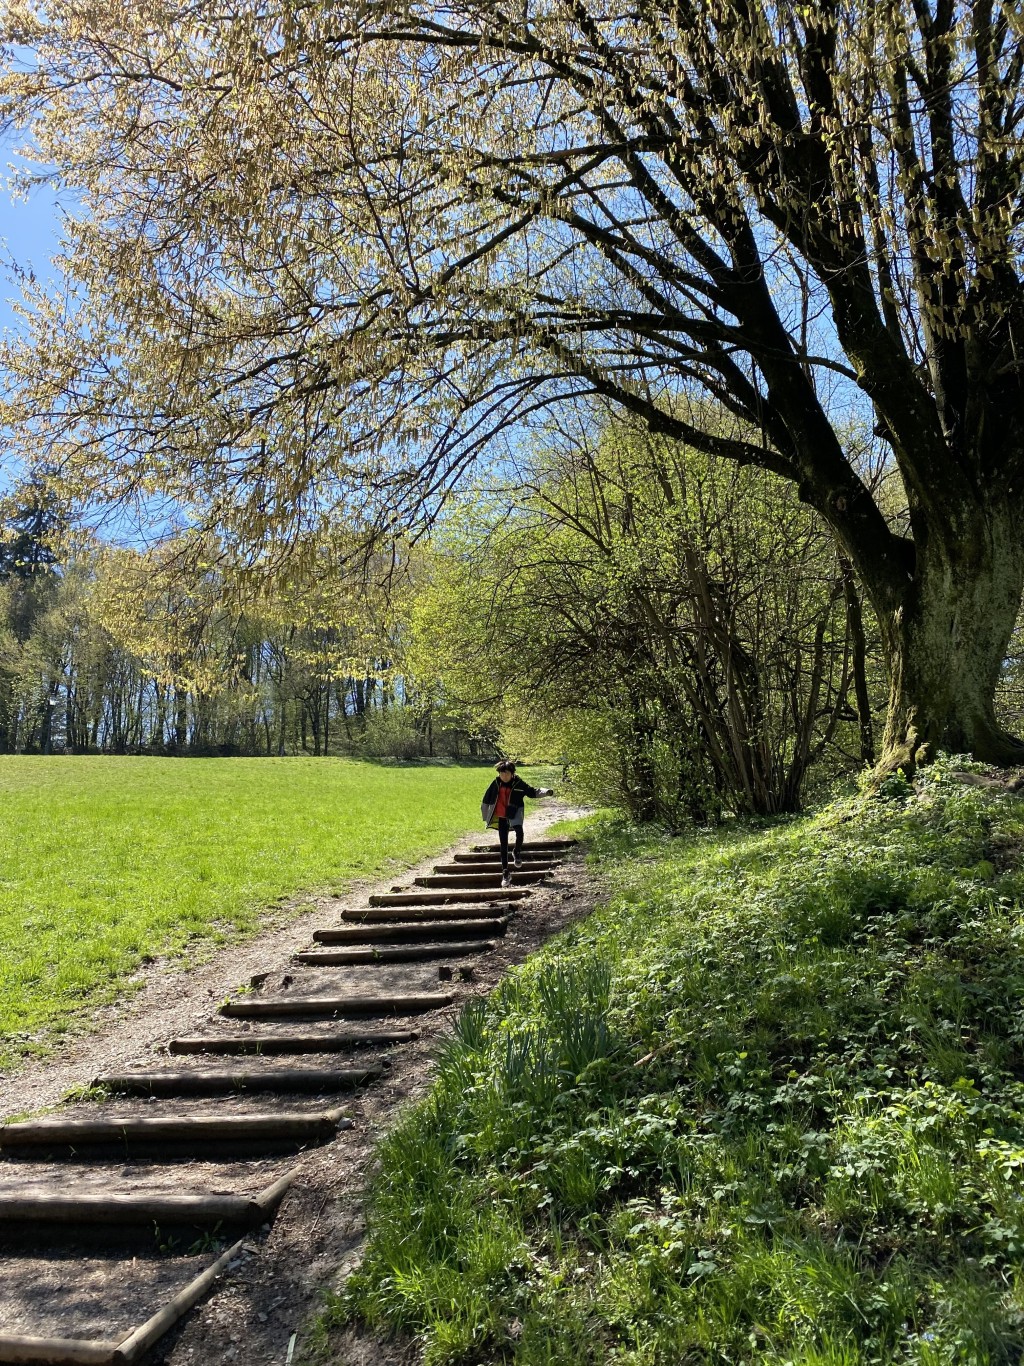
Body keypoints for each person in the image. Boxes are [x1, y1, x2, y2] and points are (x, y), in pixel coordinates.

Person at [481, 761, 554, 886]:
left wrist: (546, 792)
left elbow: (532, 792)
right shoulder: (495, 784)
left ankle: (517, 852)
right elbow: (486, 800)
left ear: (512, 773)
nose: (504, 776)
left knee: (519, 832)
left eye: (506, 773)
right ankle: (505, 873)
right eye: (501, 773)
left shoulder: (519, 783)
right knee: (503, 845)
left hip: (514, 813)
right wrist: (485, 816)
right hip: (501, 817)